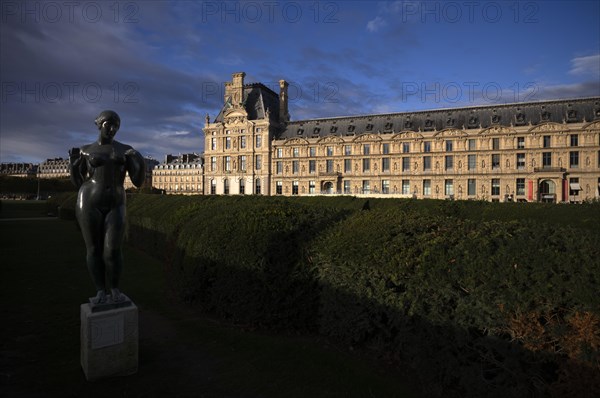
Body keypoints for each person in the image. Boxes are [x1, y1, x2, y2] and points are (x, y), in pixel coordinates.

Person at [69, 110, 145, 304]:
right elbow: (78, 183)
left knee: (112, 250)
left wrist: (140, 162)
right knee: (93, 249)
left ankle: (115, 288)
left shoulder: (125, 150)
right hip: (88, 201)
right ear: (99, 125)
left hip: (116, 203)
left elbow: (137, 182)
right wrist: (72, 166)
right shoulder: (86, 150)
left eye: (116, 126)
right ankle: (101, 290)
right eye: (109, 125)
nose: (112, 129)